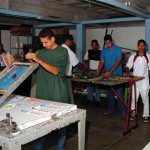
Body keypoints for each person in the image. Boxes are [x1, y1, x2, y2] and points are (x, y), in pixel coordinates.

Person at [25, 28, 69, 150]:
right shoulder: (42, 52)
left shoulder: (62, 52)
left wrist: (38, 59)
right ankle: (37, 147)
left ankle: (60, 147)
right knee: (41, 124)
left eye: (46, 42)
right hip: (43, 92)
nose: (44, 45)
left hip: (57, 93)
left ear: (53, 39)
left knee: (61, 124)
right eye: (42, 43)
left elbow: (56, 71)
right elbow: (35, 68)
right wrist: (27, 60)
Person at [98, 34, 126, 119]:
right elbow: (102, 62)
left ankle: (124, 114)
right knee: (109, 94)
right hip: (108, 76)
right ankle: (110, 111)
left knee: (119, 95)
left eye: (109, 43)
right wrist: (98, 72)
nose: (108, 45)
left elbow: (118, 62)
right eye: (106, 43)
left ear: (112, 41)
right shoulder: (104, 50)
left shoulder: (118, 49)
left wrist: (109, 71)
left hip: (117, 76)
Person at [125, 39, 150, 122]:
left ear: (145, 46)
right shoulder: (133, 56)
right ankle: (133, 113)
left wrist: (146, 77)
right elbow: (128, 66)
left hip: (145, 82)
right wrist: (127, 71)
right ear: (137, 46)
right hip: (135, 81)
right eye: (140, 45)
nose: (141, 47)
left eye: (143, 45)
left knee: (145, 98)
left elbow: (149, 69)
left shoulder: (148, 56)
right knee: (134, 98)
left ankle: (146, 115)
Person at [84, 39, 101, 105]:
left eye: (95, 45)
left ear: (97, 45)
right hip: (90, 71)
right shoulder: (89, 51)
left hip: (97, 71)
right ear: (91, 45)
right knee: (89, 85)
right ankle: (89, 99)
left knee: (97, 86)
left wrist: (100, 71)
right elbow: (86, 59)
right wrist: (87, 68)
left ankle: (97, 100)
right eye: (92, 45)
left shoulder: (101, 52)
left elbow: (102, 61)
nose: (94, 46)